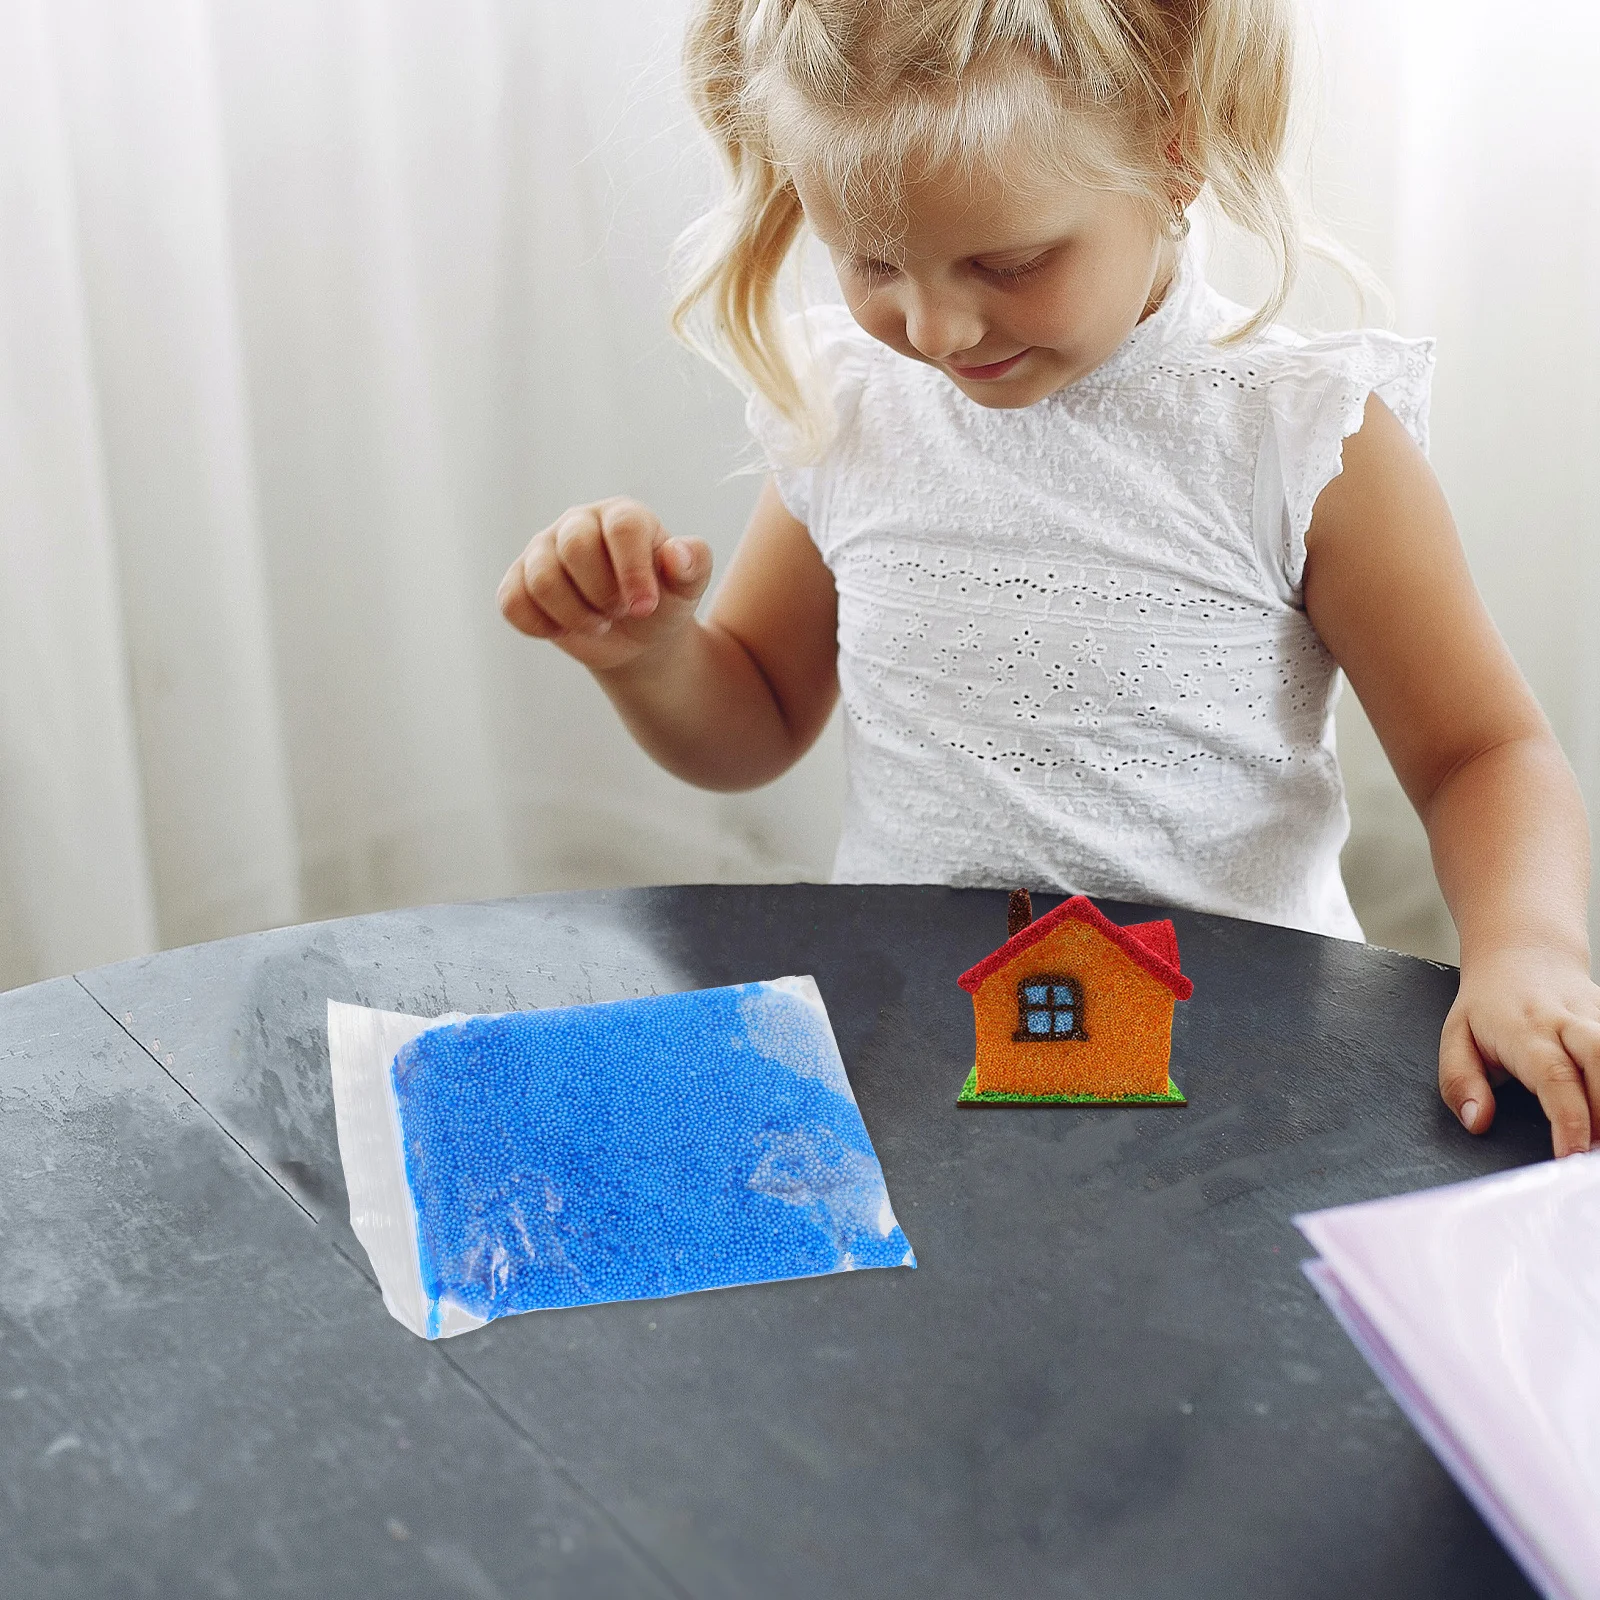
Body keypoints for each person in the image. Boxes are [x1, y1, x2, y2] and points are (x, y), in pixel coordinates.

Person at [497, 0, 1598, 1156]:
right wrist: (647, 653)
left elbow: (1484, 753)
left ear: (1176, 147)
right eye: (871, 261)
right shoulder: (854, 407)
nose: (934, 325)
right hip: (918, 1064)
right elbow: (752, 727)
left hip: (1233, 1082)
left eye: (1007, 262)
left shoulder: (1300, 437)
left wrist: (1526, 949)